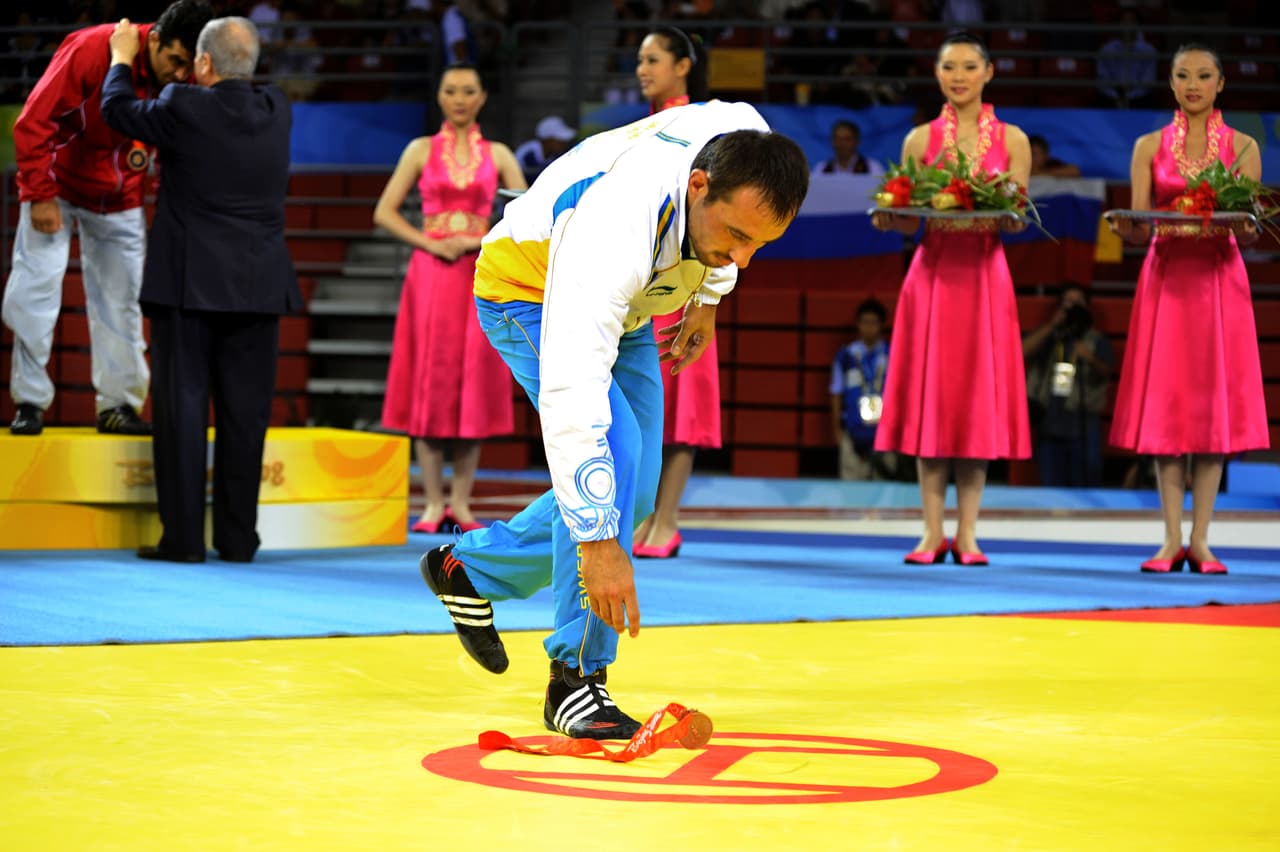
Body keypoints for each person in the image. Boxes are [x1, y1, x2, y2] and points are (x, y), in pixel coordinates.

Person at [418, 102, 808, 739]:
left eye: (759, 243)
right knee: (613, 462)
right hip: (531, 289)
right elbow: (576, 402)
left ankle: (469, 568)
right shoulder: (615, 226)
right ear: (699, 185)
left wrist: (708, 296)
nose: (742, 258)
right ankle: (575, 681)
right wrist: (598, 543)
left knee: (639, 487)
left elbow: (727, 237)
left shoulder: (747, 143)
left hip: (630, 304)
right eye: (735, 237)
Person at [101, 15, 301, 564]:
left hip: (188, 287)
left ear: (205, 64)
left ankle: (183, 541)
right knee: (245, 418)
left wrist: (121, 57)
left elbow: (115, 110)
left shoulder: (183, 105)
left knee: (182, 414)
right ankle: (238, 540)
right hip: (260, 287)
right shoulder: (278, 110)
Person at [2, 0, 213, 437]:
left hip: (120, 196)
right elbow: (32, 122)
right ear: (153, 38)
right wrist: (39, 194)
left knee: (124, 303)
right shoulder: (92, 49)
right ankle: (29, 402)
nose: (179, 75)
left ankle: (118, 406)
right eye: (174, 61)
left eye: (187, 67)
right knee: (35, 291)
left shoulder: (187, 73)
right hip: (56, 185)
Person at [870, 32, 1033, 566]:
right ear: (937, 74)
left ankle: (967, 533)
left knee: (976, 402)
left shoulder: (1014, 140)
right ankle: (929, 531)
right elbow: (906, 217)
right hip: (933, 278)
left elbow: (1015, 218)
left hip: (985, 277)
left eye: (968, 66)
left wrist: (988, 214)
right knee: (932, 401)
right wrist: (888, 213)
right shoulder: (919, 140)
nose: (958, 76)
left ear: (989, 72)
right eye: (948, 67)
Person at [1107, 43, 1269, 575]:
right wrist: (1125, 226)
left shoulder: (1244, 146)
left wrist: (1241, 224)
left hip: (1219, 283)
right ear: (1171, 83)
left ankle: (1201, 540)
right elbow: (1139, 221)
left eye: (1204, 75)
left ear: (1221, 84)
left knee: (1209, 412)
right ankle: (1169, 538)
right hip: (1167, 280)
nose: (1193, 84)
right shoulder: (1147, 145)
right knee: (1169, 410)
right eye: (1182, 76)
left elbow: (1246, 227)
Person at [374, 63, 526, 534]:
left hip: (480, 275)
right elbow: (384, 211)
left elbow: (527, 213)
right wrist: (429, 242)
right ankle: (432, 502)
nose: (459, 99)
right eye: (450, 91)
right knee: (428, 380)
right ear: (439, 97)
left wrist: (481, 240)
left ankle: (461, 501)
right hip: (431, 276)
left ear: (482, 98)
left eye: (468, 91)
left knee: (473, 382)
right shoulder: (419, 150)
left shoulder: (499, 153)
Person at [630, 25, 718, 559]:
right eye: (639, 59)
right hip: (639, 283)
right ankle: (644, 519)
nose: (643, 69)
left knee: (680, 405)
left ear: (683, 65)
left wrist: (705, 296)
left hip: (688, 280)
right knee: (644, 406)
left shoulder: (704, 126)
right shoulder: (637, 130)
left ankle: (666, 521)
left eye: (654, 59)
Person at [1022, 284, 1113, 487]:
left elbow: (1106, 373)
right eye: (1067, 303)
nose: (1071, 309)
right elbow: (1021, 353)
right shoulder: (1050, 335)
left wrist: (1089, 357)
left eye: (1077, 304)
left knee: (1085, 488)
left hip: (1084, 423)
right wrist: (1052, 325)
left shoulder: (1097, 340)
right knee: (1050, 490)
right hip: (1050, 421)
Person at [830, 297, 895, 480]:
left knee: (885, 494)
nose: (869, 327)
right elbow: (836, 392)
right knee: (851, 495)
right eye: (865, 322)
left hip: (885, 435)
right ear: (858, 324)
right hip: (852, 433)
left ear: (882, 325)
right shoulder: (846, 356)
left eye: (873, 322)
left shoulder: (893, 355)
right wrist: (837, 430)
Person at [1096, 10, 1158, 109]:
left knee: (1148, 100)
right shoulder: (1107, 50)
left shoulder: (1148, 50)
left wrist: (1129, 98)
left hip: (1139, 97)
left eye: (1132, 21)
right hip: (1111, 96)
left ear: (1138, 25)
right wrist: (1115, 97)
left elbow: (1147, 83)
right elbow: (1103, 80)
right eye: (1124, 21)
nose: (1128, 25)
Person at [513, 115, 576, 185]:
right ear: (548, 140)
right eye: (560, 140)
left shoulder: (556, 155)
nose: (564, 143)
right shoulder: (529, 153)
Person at [811, 119, 886, 177]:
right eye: (838, 139)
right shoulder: (821, 168)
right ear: (832, 141)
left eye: (847, 139)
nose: (842, 144)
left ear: (857, 141)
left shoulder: (872, 168)